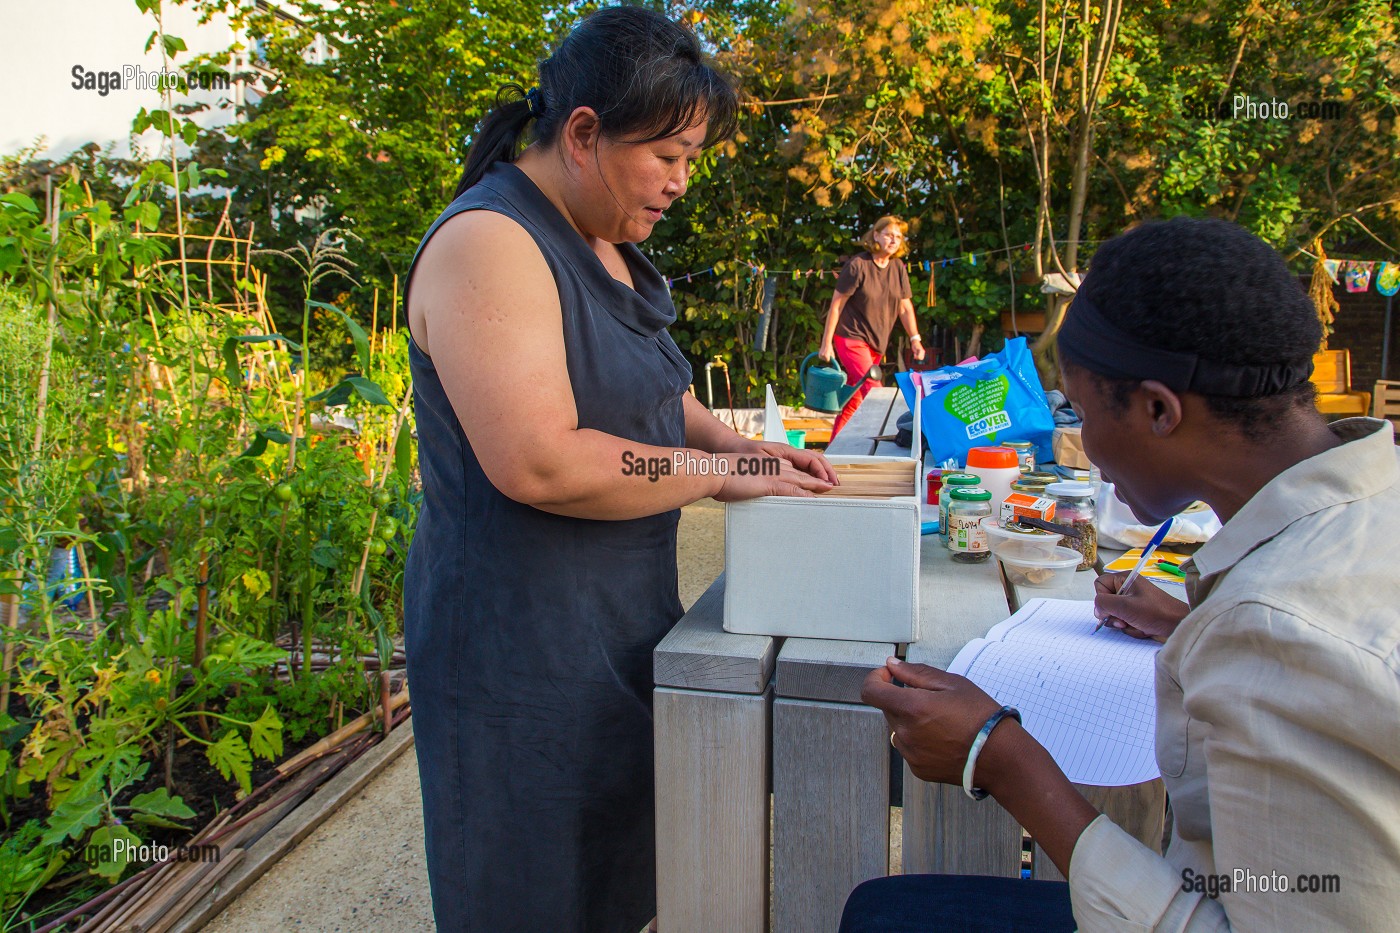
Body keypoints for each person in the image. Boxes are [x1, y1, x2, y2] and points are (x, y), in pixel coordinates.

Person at [401, 8, 838, 932]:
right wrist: (716, 476)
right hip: (518, 646)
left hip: (617, 620)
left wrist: (739, 445)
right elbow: (542, 460)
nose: (681, 183)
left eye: (691, 160)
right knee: (528, 888)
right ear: (585, 132)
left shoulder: (603, 239)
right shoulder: (491, 243)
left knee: (614, 878)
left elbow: (647, 392)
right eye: (668, 156)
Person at [845, 216, 1400, 931]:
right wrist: (1192, 621)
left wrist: (1002, 757)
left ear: (1158, 409)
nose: (1080, 441)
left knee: (886, 918)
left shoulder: (1281, 636)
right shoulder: (1364, 508)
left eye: (1079, 408)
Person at [818, 216, 926, 436]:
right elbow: (837, 305)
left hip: (875, 344)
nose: (893, 240)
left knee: (854, 396)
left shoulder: (897, 268)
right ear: (876, 235)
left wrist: (915, 338)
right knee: (874, 391)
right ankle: (890, 440)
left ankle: (833, 450)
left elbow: (905, 307)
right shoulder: (858, 265)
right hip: (851, 338)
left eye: (898, 237)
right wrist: (826, 344)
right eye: (888, 235)